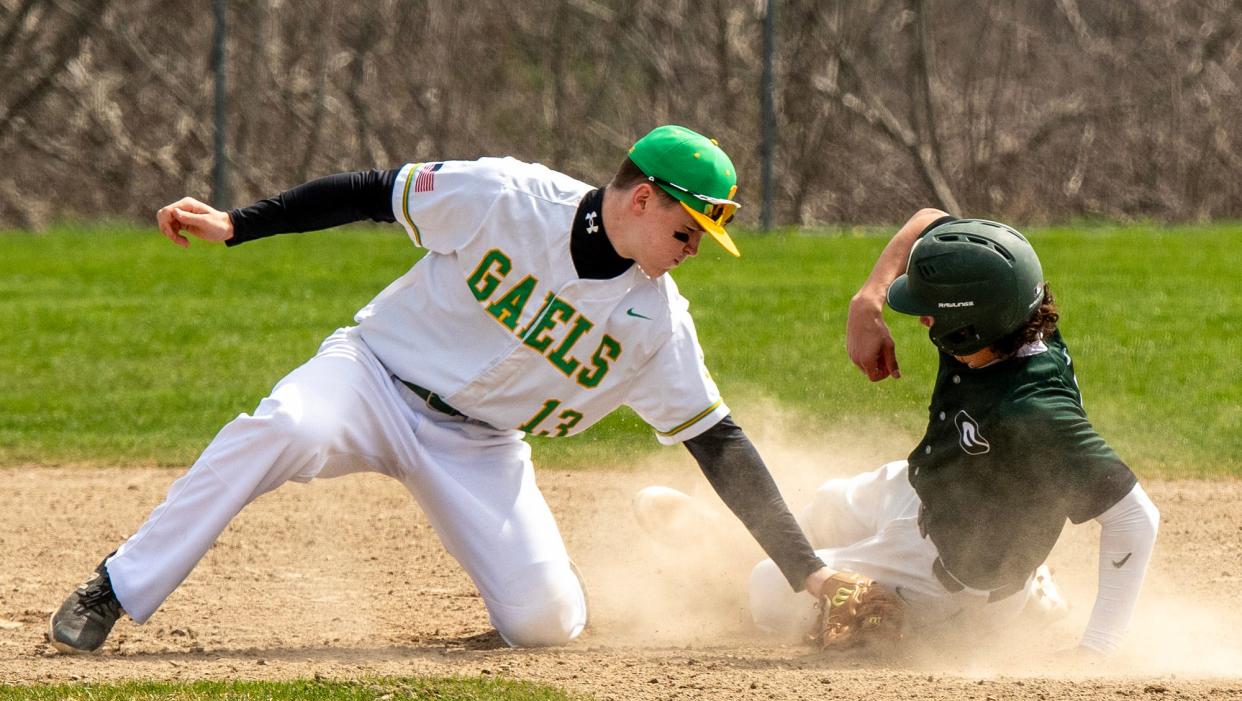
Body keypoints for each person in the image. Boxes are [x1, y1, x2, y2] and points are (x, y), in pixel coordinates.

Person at [48, 125, 835, 653]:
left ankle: (541, 585)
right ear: (642, 199)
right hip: (374, 377)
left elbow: (719, 441)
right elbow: (368, 188)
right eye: (690, 229)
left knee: (546, 623)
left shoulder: (657, 324)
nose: (695, 248)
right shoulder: (506, 195)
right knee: (285, 425)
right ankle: (115, 585)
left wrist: (810, 572)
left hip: (480, 445)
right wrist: (239, 224)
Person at [644, 212, 1159, 656]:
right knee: (827, 504)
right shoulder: (1010, 310)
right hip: (941, 491)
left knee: (767, 591)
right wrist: (867, 299)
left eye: (931, 310)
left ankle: (731, 571)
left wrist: (1097, 653)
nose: (920, 318)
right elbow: (931, 221)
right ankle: (732, 546)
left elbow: (1136, 518)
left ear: (969, 325)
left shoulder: (1033, 412)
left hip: (952, 583)